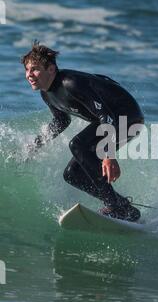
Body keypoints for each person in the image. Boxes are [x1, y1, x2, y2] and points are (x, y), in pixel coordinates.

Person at [21, 41, 144, 222]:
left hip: (127, 117)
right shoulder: (46, 93)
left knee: (77, 144)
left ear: (51, 69)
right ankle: (124, 207)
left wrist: (108, 155)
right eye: (27, 70)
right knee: (72, 174)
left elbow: (106, 115)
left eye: (35, 69)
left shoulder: (70, 83)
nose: (29, 75)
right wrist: (38, 144)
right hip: (108, 122)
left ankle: (115, 206)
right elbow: (61, 120)